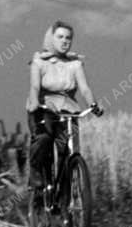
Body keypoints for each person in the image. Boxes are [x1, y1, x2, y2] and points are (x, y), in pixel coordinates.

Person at [25, 21, 102, 194]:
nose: (65, 41)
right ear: (51, 38)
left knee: (67, 149)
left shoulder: (75, 64)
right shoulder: (39, 62)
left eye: (68, 38)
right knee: (44, 138)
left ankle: (65, 192)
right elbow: (34, 87)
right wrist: (35, 102)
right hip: (43, 107)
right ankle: (36, 171)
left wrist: (93, 104)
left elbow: (84, 88)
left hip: (68, 110)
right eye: (60, 37)